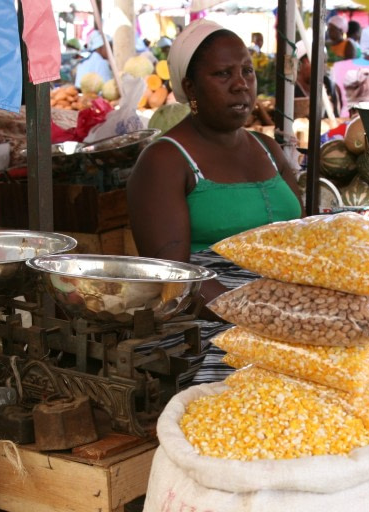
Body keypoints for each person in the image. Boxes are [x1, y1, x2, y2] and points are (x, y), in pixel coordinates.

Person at [127, 20, 303, 382]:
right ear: (190, 87)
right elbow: (175, 277)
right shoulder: (165, 160)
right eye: (223, 74)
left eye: (247, 71)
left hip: (282, 314)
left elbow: (304, 238)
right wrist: (254, 315)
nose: (241, 84)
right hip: (207, 323)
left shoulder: (268, 149)